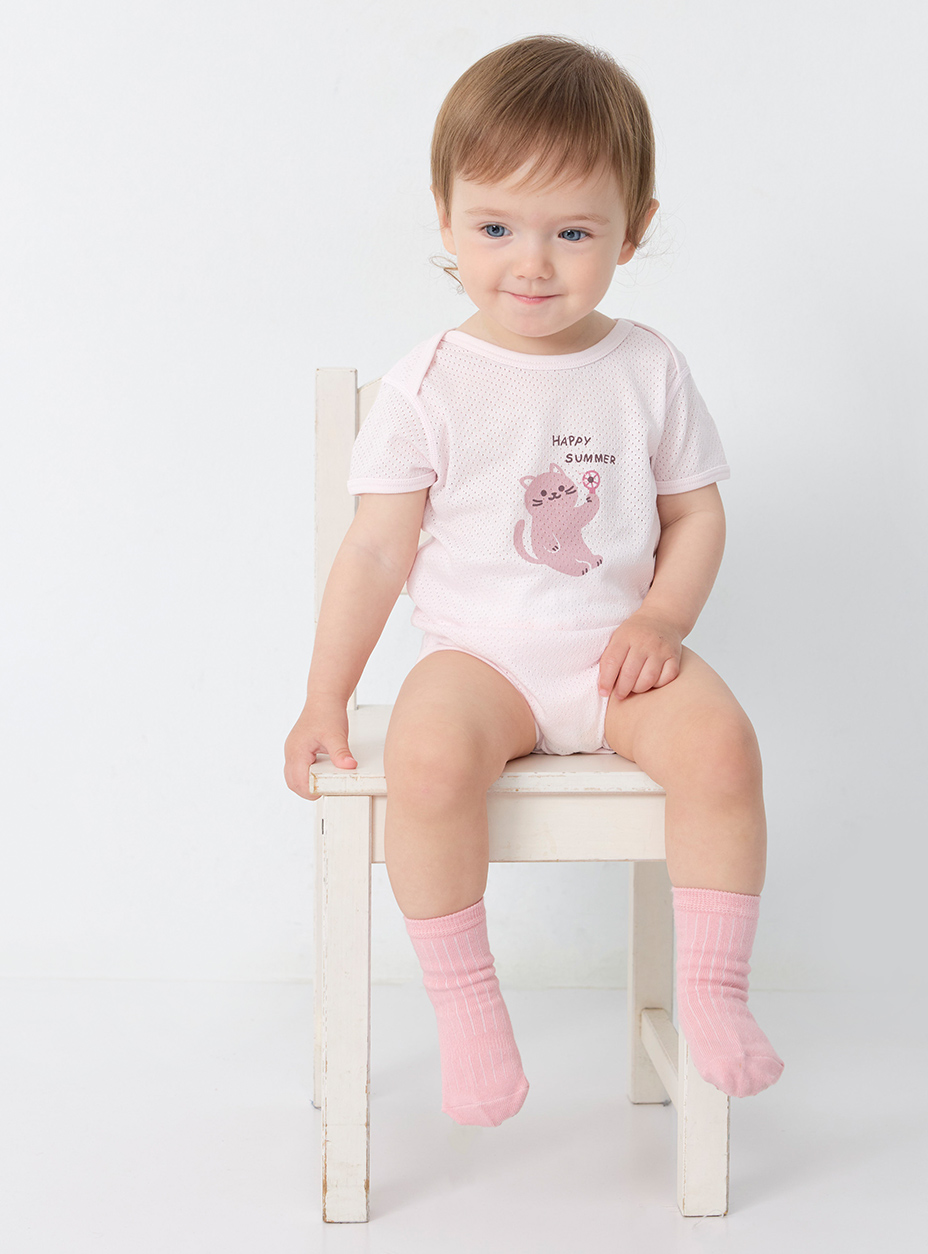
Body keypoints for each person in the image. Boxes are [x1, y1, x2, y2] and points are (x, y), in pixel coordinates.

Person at [284, 34, 783, 1127]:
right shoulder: (428, 385)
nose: (533, 263)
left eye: (574, 232)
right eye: (496, 227)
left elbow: (696, 514)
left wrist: (664, 616)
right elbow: (374, 553)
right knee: (425, 758)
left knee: (723, 748)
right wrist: (326, 697)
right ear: (446, 216)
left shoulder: (647, 367)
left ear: (634, 229)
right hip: (485, 664)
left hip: (619, 659)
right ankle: (468, 1008)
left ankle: (712, 991)